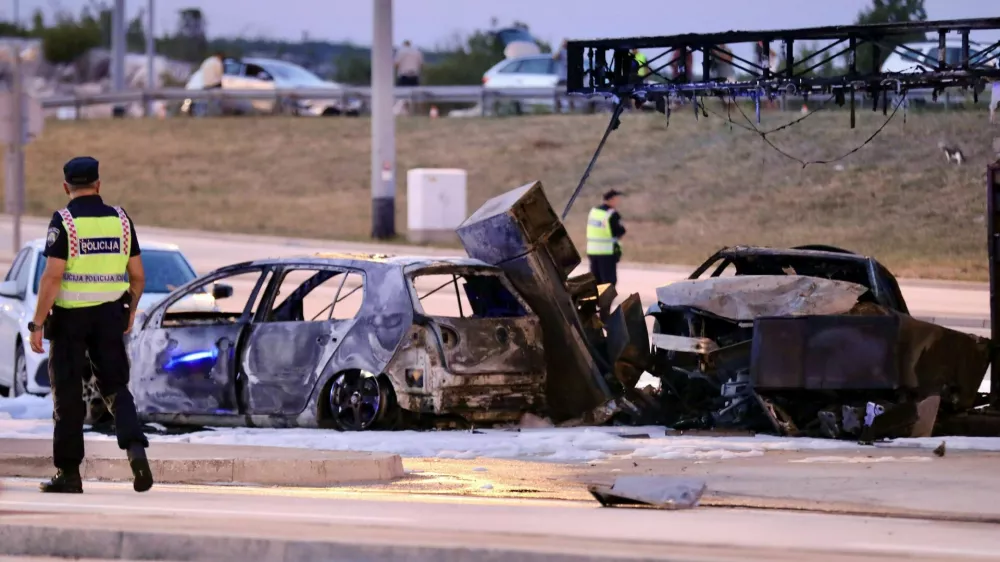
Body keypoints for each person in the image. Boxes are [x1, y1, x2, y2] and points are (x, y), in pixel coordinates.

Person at [30, 156, 153, 494]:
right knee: (115, 386)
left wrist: (37, 323)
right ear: (99, 184)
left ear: (66, 187)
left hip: (70, 320)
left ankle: (69, 474)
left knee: (68, 394)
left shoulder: (64, 222)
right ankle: (135, 450)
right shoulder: (121, 221)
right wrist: (129, 310)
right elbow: (138, 276)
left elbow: (52, 277)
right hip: (110, 315)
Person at [586, 189, 626, 288]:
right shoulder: (611, 214)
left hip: (592, 251)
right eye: (617, 199)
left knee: (595, 282)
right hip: (607, 253)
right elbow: (619, 231)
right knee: (608, 283)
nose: (618, 202)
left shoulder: (594, 212)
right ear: (611, 199)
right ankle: (604, 303)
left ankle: (593, 302)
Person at [197, 51, 225, 116]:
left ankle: (204, 114)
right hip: (215, 84)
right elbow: (219, 74)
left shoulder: (207, 61)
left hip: (205, 84)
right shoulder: (218, 62)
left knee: (205, 101)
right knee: (216, 101)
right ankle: (214, 114)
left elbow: (202, 71)